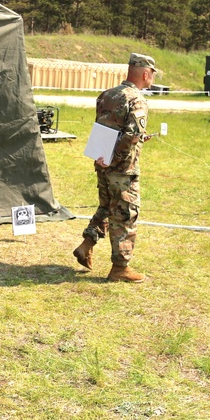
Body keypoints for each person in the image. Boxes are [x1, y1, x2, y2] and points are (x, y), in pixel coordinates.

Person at [73, 52, 155, 283]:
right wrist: (116, 158)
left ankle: (86, 245)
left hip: (102, 163)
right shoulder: (137, 99)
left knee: (107, 207)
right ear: (145, 74)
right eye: (151, 75)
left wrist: (105, 158)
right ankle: (120, 268)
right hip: (121, 169)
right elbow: (130, 134)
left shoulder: (107, 94)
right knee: (125, 215)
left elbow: (108, 127)